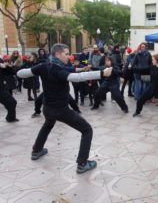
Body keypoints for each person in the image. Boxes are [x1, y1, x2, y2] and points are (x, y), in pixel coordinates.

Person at [17, 43, 113, 174]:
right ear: (57, 54)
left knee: (48, 124)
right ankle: (82, 163)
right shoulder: (57, 69)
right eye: (67, 54)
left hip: (47, 108)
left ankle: (36, 151)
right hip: (60, 110)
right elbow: (75, 78)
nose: (69, 57)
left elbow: (20, 73)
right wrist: (102, 73)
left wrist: (83, 69)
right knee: (87, 130)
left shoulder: (46, 65)